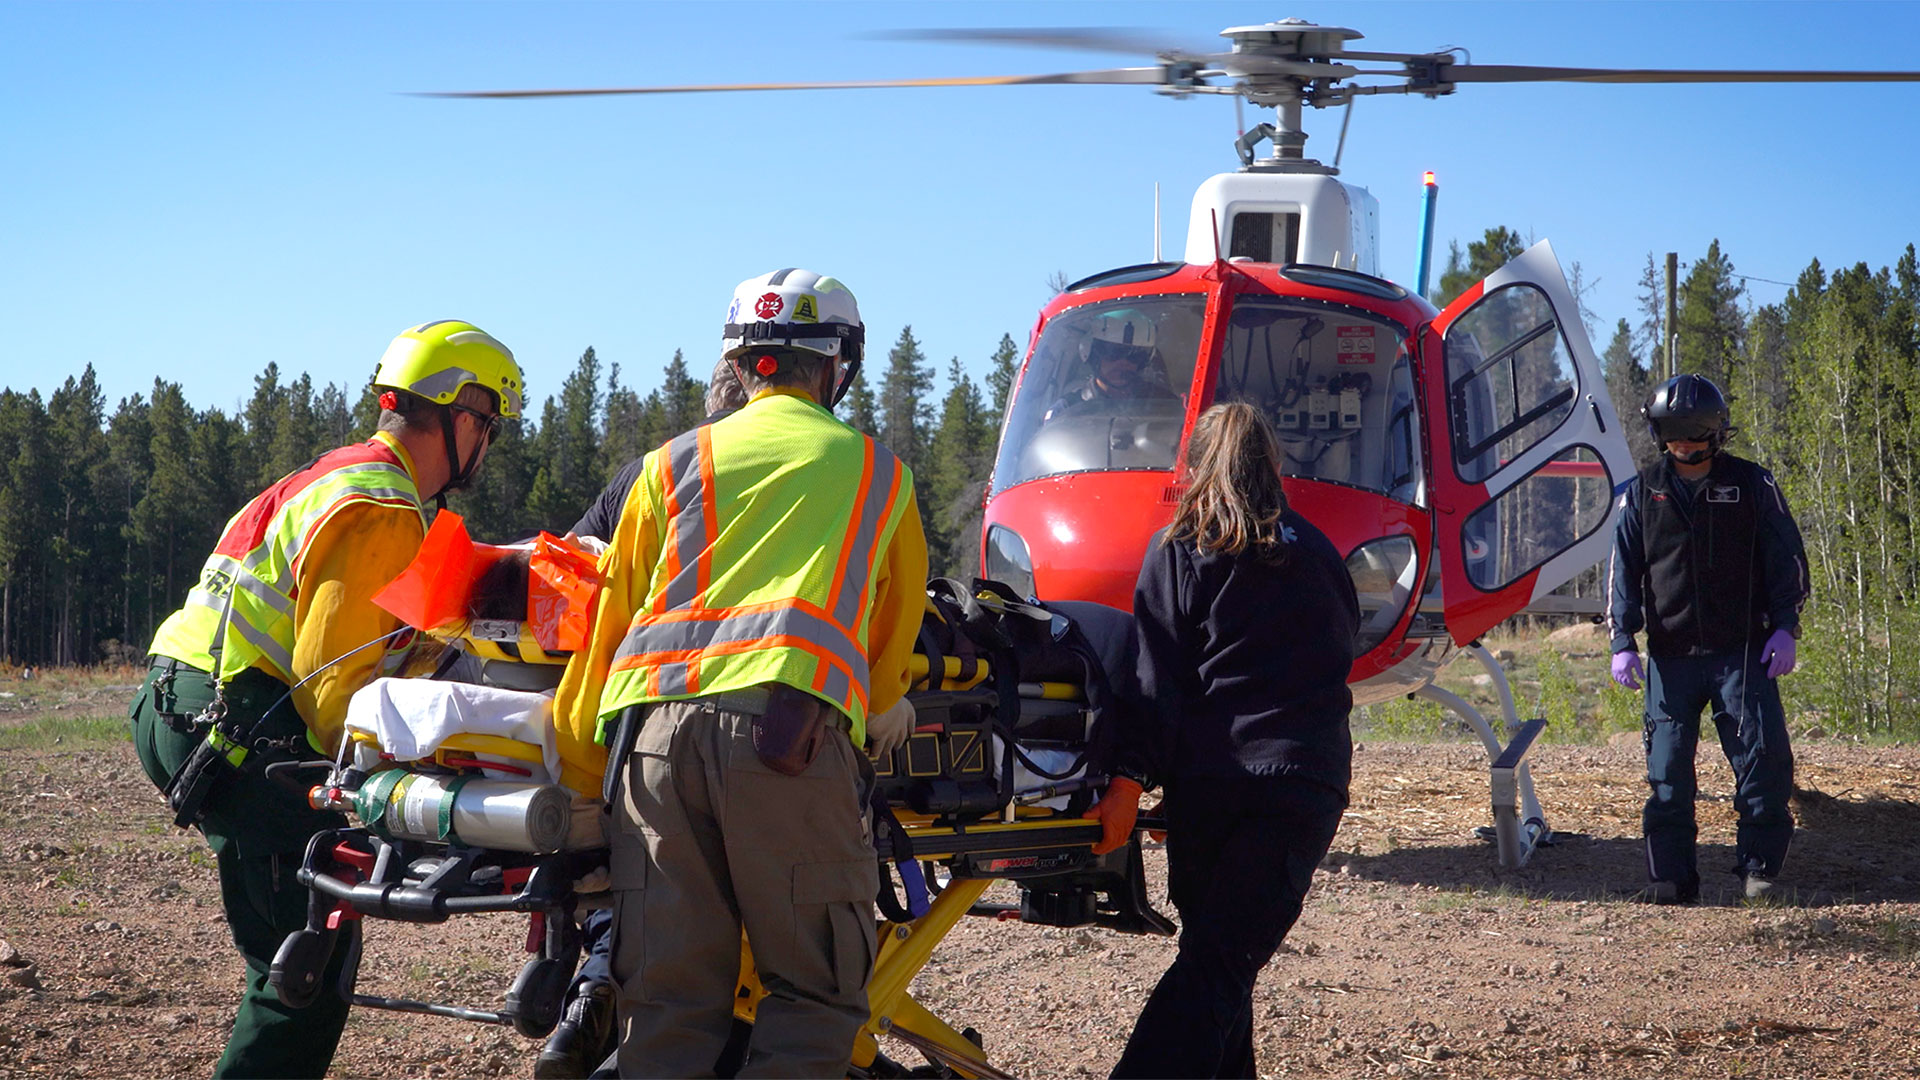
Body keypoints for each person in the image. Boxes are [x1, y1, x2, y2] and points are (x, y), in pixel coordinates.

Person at [552, 268, 926, 1078]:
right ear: (836, 366)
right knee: (814, 994)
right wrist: (885, 704)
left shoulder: (669, 465)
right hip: (785, 741)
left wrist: (583, 779)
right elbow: (892, 639)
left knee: (668, 1002)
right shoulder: (876, 474)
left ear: (741, 361)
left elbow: (605, 625)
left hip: (649, 748)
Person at [128, 320, 523, 1079]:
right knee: (304, 968)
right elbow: (330, 688)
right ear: (462, 414)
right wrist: (438, 761)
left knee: (292, 947)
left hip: (180, 700)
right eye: (489, 427)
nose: (485, 445)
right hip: (241, 725)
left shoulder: (331, 475)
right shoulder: (380, 505)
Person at [1086, 401, 1359, 1079]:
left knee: (1213, 969)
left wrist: (1126, 783)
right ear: (1273, 463)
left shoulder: (1179, 548)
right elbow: (1342, 653)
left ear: (1195, 467)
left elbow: (1155, 683)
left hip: (1214, 784)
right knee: (1221, 968)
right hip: (1305, 784)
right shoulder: (1320, 552)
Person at [536, 357, 749, 1080]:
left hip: (624, 717)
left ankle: (594, 987)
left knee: (631, 871)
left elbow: (562, 587)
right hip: (745, 720)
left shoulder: (648, 473)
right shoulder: (802, 475)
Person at [1606, 373, 1809, 904]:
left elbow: (1786, 557)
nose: (1685, 448)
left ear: (1716, 434)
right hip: (1670, 657)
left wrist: (1786, 626)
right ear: (1660, 436)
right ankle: (1672, 878)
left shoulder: (1751, 484)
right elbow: (1623, 572)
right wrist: (1621, 640)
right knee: (1667, 772)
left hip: (1742, 652)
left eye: (1695, 438)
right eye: (1675, 438)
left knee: (1763, 765)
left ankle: (1759, 871)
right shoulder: (1641, 494)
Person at [1043, 308, 1179, 422]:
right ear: (1092, 353)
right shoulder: (1066, 411)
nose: (1124, 363)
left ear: (1145, 361)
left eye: (1135, 356)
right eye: (1113, 353)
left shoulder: (1165, 407)